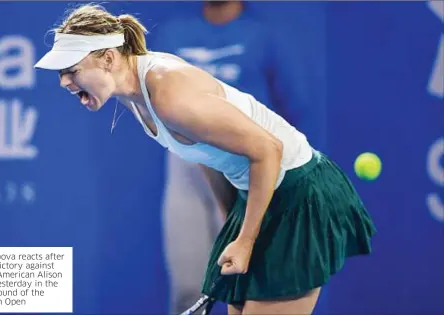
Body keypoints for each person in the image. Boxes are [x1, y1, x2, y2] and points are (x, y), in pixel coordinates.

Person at [34, 4, 376, 315]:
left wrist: (247, 239)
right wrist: (234, 219)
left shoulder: (168, 93)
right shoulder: (135, 96)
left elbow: (268, 150)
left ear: (108, 58)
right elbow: (206, 152)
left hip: (298, 191)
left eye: (72, 69)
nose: (64, 81)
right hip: (260, 192)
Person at [150, 2, 328, 313]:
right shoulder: (173, 34)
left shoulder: (265, 36)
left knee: (251, 284)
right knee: (188, 287)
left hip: (245, 163)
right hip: (187, 165)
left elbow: (291, 113)